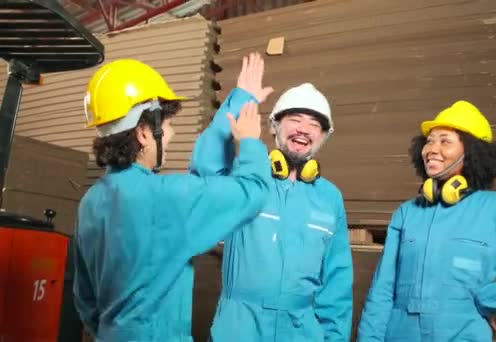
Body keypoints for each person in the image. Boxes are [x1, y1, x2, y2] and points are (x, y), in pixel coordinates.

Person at [72, 58, 271, 342]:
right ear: (143, 133)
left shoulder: (90, 202)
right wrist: (250, 142)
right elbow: (253, 191)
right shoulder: (166, 197)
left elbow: (85, 299)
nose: (172, 134)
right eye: (168, 125)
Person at [356, 100, 496, 341]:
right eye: (429, 141)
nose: (431, 149)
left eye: (445, 141)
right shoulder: (407, 213)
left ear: (470, 153)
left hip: (463, 333)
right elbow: (382, 291)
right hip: (400, 333)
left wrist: (489, 299)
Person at [189, 52, 353, 341]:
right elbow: (206, 165)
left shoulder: (330, 198)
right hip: (239, 329)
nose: (304, 128)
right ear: (274, 126)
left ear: (324, 137)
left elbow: (337, 283)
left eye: (315, 125)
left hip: (302, 333)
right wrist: (241, 99)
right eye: (295, 119)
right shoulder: (246, 179)